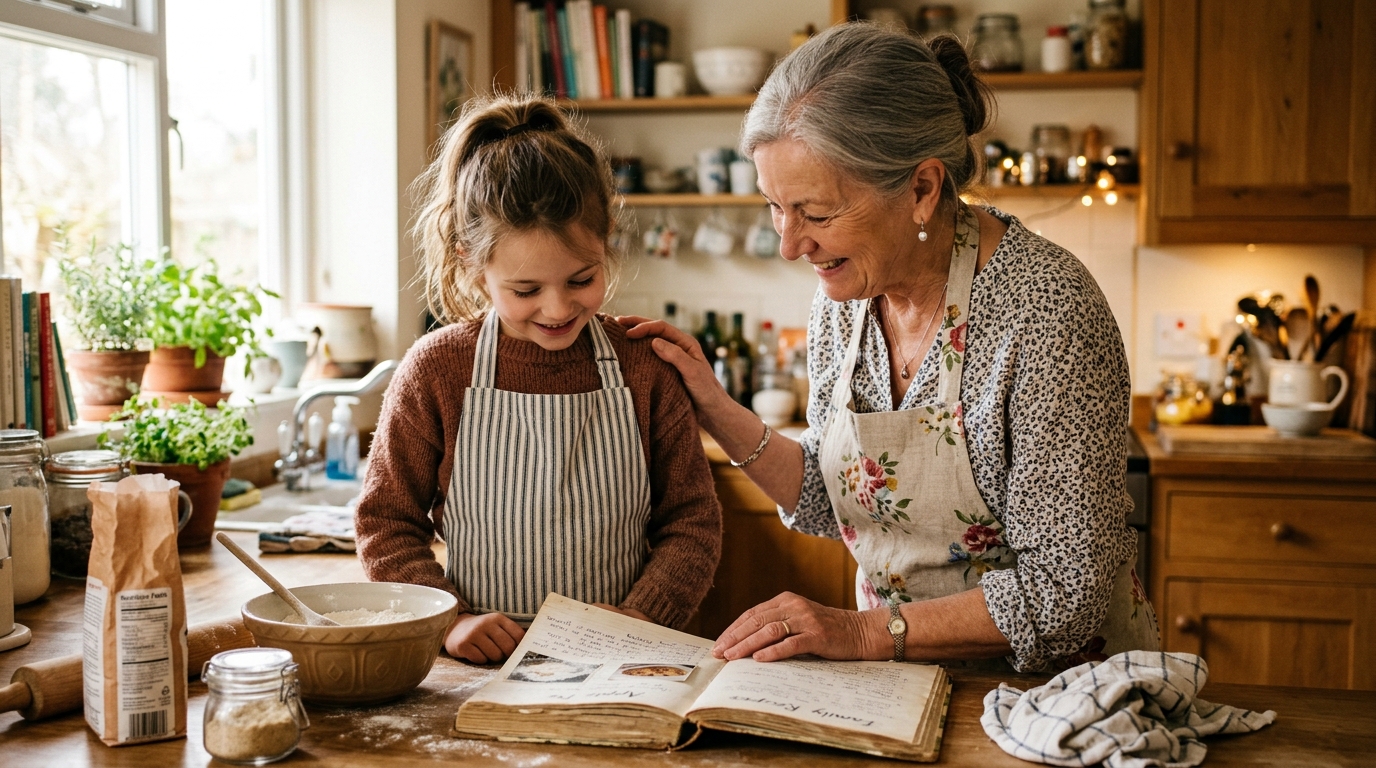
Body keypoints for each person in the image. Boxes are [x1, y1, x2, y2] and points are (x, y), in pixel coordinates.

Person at [623, 24, 1158, 672]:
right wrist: (713, 406)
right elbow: (827, 500)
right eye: (774, 207)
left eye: (816, 214)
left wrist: (857, 633)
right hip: (905, 684)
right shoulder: (843, 302)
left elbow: (1066, 593)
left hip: (1058, 701)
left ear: (922, 189)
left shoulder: (1046, 311)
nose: (791, 245)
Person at [355, 94, 721, 664]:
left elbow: (692, 522)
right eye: (526, 291)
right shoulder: (437, 371)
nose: (556, 309)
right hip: (479, 668)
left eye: (582, 279)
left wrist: (643, 614)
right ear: (472, 267)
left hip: (620, 663)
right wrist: (447, 620)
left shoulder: (642, 367)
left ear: (607, 245)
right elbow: (386, 521)